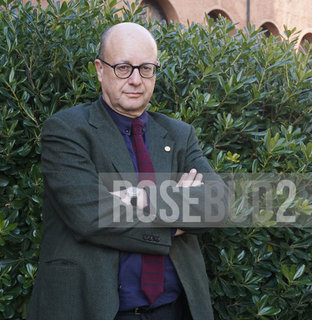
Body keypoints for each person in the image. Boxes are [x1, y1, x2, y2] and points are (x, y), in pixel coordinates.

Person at [27, 22, 227, 320]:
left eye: (146, 68)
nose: (136, 79)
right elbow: (91, 215)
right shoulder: (68, 130)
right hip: (94, 308)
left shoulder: (179, 134)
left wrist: (142, 198)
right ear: (100, 69)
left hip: (175, 310)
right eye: (123, 67)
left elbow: (218, 204)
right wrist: (177, 211)